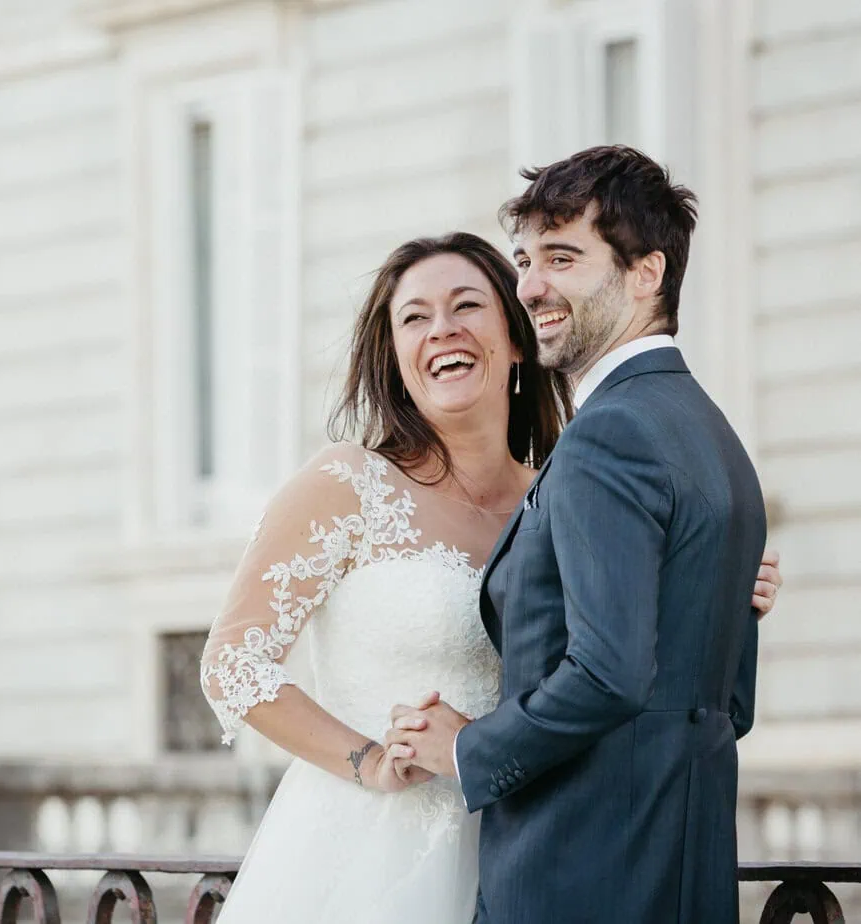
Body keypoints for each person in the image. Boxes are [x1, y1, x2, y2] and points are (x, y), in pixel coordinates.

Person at [199, 225, 782, 921]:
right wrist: (368, 761)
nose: (441, 330)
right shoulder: (345, 483)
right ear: (395, 358)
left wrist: (718, 591)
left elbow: (620, 666)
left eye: (467, 306)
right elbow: (232, 663)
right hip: (370, 851)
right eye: (415, 318)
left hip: (532, 843)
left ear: (515, 338)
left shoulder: (572, 487)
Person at [387, 146, 768, 924]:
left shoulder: (610, 434)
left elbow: (610, 674)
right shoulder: (714, 437)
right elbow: (728, 703)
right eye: (526, 260)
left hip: (575, 876)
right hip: (686, 877)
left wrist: (466, 751)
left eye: (562, 258)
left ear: (646, 274)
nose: (530, 286)